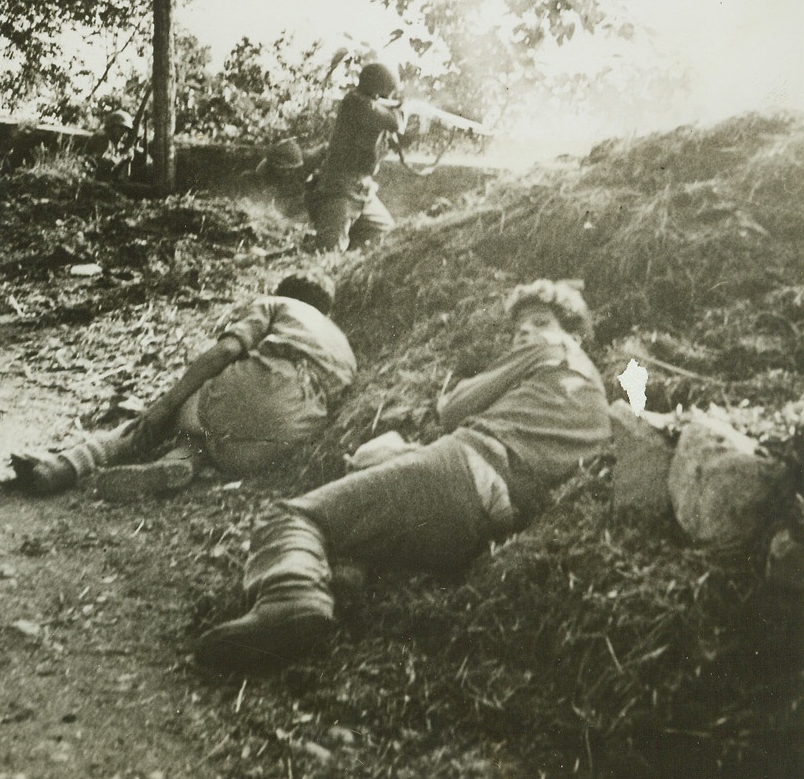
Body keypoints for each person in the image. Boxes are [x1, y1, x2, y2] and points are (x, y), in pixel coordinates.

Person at [195, 279, 611, 671]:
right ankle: (340, 580)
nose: (525, 334)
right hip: (489, 522)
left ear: (573, 333)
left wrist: (454, 393)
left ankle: (288, 598)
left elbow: (453, 411)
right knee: (371, 512)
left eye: (540, 323)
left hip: (461, 471)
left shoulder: (554, 349)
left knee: (293, 517)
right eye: (518, 329)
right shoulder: (599, 413)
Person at [10, 269, 357, 499]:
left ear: (285, 292)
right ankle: (180, 465)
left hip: (264, 386)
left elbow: (224, 352)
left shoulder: (279, 304)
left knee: (173, 415)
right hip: (279, 440)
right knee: (209, 439)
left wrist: (165, 404)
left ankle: (70, 463)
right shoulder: (342, 343)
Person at [308, 62, 405, 252]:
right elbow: (395, 122)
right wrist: (405, 108)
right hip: (339, 191)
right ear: (378, 89)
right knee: (328, 255)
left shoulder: (368, 106)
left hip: (362, 190)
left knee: (388, 237)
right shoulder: (355, 102)